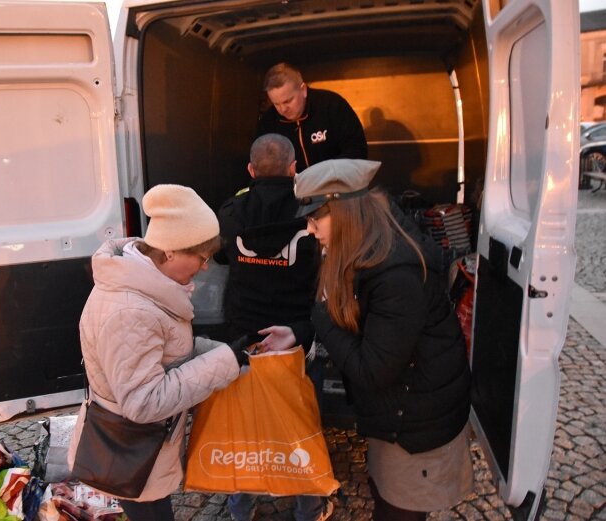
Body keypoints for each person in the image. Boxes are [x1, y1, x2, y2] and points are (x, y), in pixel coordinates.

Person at [296, 159, 473, 521]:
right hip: (395, 411)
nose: (310, 231)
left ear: (346, 211)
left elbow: (374, 370)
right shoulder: (367, 247)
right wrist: (300, 331)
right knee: (383, 494)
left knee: (398, 510)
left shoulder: (396, 275)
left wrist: (318, 317)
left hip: (416, 424)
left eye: (316, 219)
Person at [68, 184, 250, 520]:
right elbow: (144, 401)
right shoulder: (130, 311)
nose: (206, 267)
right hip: (132, 452)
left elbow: (164, 352)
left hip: (142, 450)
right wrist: (224, 361)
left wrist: (226, 353)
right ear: (170, 252)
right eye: (202, 257)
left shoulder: (147, 288)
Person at [216, 135, 331, 521]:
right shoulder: (312, 212)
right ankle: (307, 508)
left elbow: (216, 251)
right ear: (293, 167)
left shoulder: (232, 211)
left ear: (251, 171)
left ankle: (240, 506)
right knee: (301, 424)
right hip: (296, 334)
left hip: (243, 336)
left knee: (245, 426)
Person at [257, 63, 367, 169]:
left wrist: (325, 175)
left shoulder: (332, 105)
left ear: (303, 90)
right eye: (276, 104)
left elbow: (357, 150)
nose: (283, 109)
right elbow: (265, 166)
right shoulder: (269, 122)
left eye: (288, 101)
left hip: (339, 184)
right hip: (293, 187)